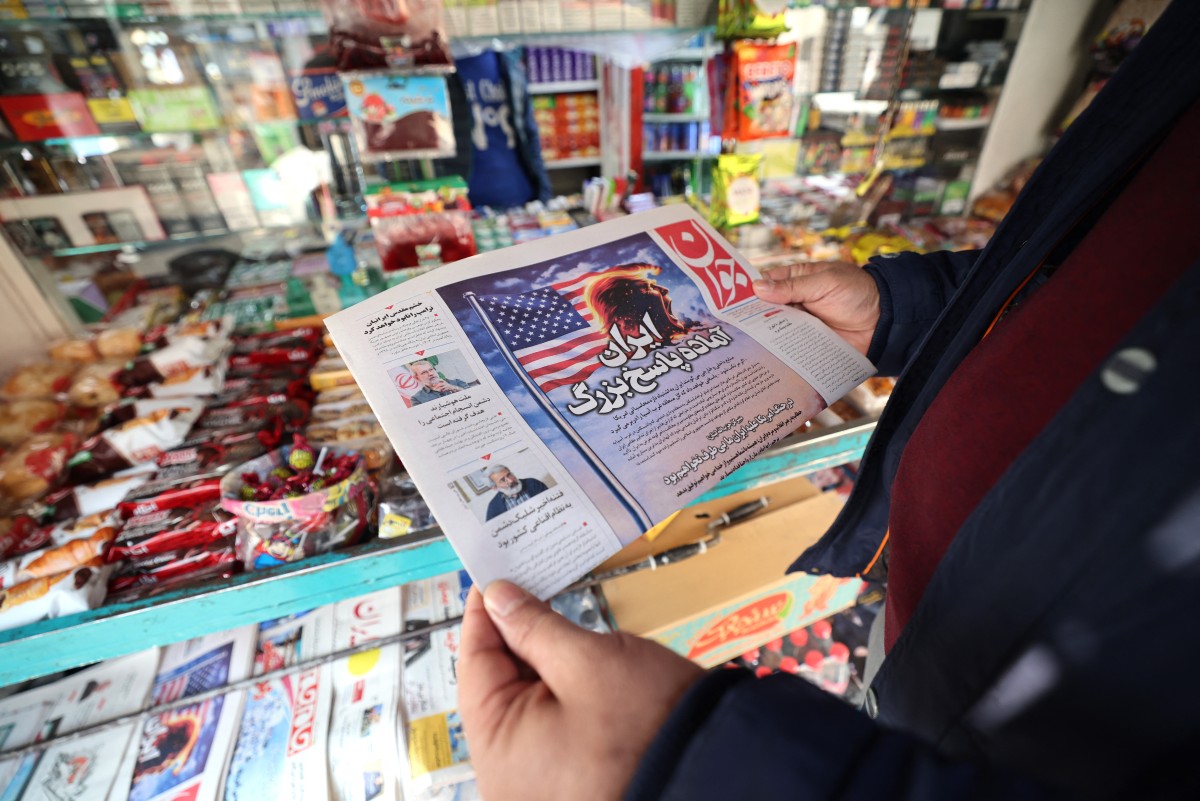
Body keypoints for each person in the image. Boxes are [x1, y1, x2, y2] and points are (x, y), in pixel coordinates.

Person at [457, 2, 1200, 799]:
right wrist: (905, 309)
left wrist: (678, 770)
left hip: (1008, 719)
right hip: (930, 635)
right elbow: (1084, 274)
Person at [484, 466, 549, 521]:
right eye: (502, 480)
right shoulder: (493, 507)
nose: (511, 480)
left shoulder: (532, 483)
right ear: (495, 487)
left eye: (509, 475)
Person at [408, 359, 473, 406]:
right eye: (424, 372)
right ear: (417, 378)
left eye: (431, 369)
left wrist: (453, 387)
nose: (430, 373)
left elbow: (474, 395)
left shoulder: (457, 382)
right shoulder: (416, 399)